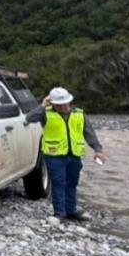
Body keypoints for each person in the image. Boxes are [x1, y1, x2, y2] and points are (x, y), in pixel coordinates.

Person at [25, 87, 107, 221]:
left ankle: (71, 210)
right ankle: (59, 213)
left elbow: (89, 133)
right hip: (54, 156)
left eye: (64, 104)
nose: (62, 107)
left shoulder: (79, 114)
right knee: (59, 183)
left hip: (74, 155)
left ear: (69, 101)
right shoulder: (45, 113)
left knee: (72, 183)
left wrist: (98, 150)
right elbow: (29, 118)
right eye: (58, 105)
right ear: (53, 103)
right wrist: (42, 105)